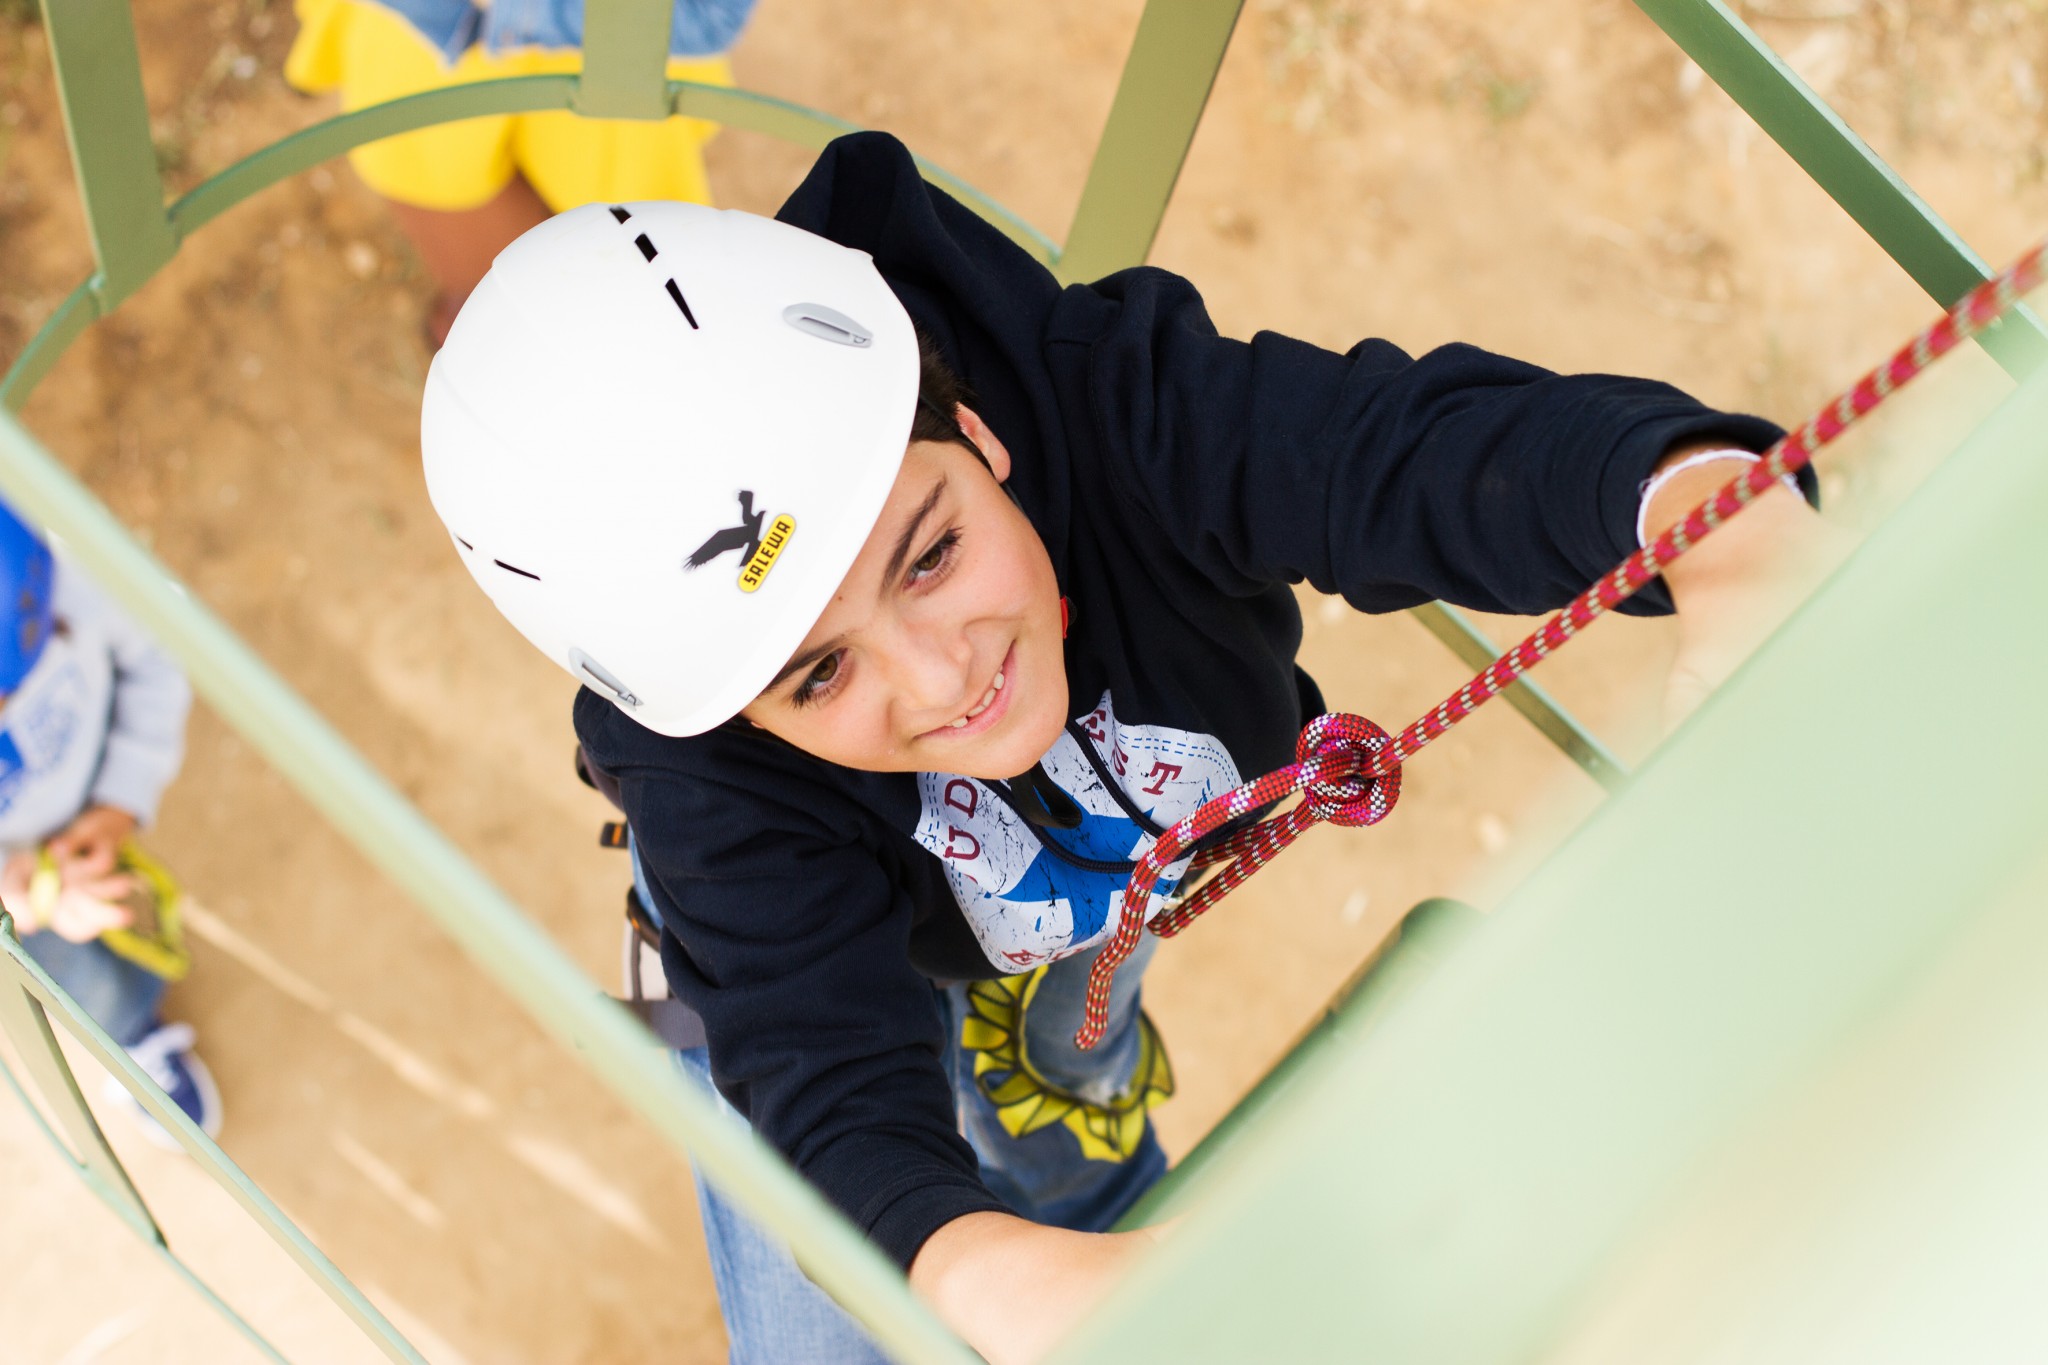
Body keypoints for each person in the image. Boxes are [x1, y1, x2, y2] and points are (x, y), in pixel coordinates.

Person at [418, 132, 1836, 1363]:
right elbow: (819, 1070)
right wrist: (982, 1268)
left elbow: (1404, 453)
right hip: (800, 943)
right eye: (819, 672)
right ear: (735, 717)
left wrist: (1714, 523)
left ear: (977, 428)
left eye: (929, 554)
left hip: (1081, 886)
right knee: (842, 1305)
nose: (944, 678)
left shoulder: (1126, 415)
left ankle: (1083, 1191)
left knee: (1067, 1123)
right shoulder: (717, 791)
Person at [284, 0, 760, 345]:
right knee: (450, 206)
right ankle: (495, 316)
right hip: (428, 29)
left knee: (627, 249)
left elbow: (706, 15)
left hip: (615, 38)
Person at [0, 499, 213, 1150]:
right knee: (81, 979)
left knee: (115, 910)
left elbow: (158, 660)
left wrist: (120, 801)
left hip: (88, 796)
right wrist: (21, 897)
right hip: (20, 891)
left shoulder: (74, 572)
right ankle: (130, 1033)